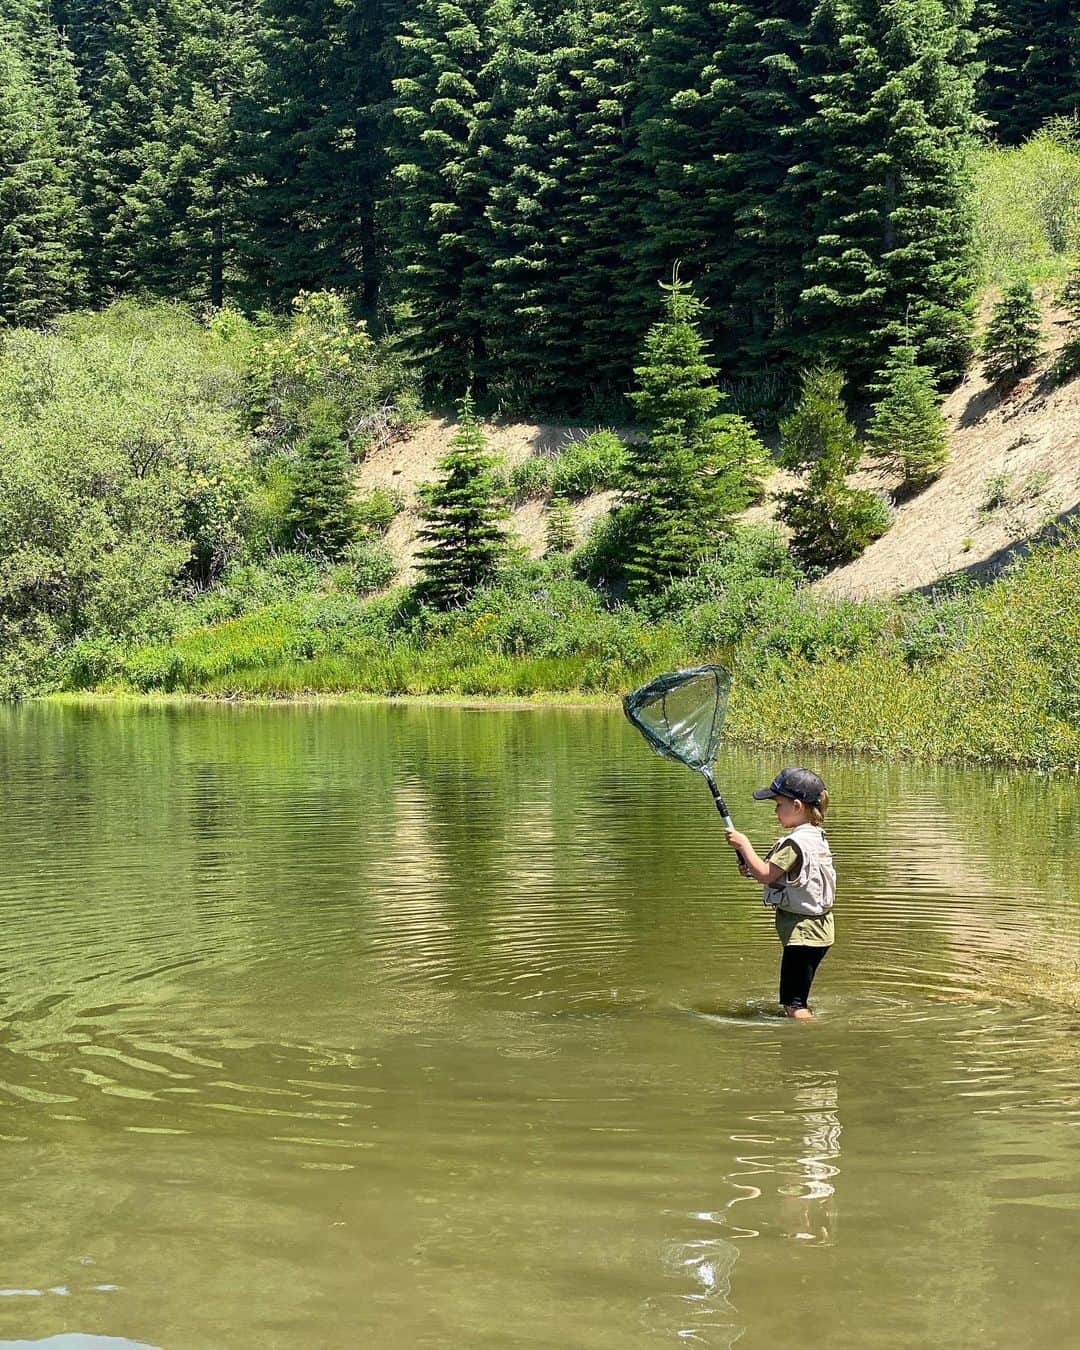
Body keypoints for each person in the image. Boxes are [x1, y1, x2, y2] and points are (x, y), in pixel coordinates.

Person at [724, 767, 835, 1020]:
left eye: (778, 804)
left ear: (797, 806)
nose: (775, 811)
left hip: (804, 934)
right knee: (795, 1000)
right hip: (821, 931)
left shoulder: (794, 843)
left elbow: (765, 873)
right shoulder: (816, 837)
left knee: (794, 1006)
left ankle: (817, 1041)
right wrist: (750, 867)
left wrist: (744, 844)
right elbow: (779, 874)